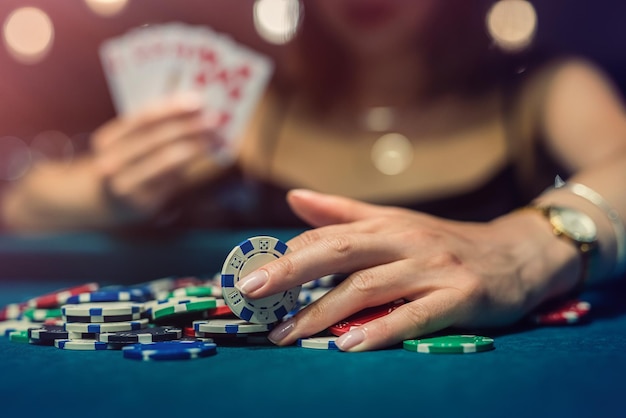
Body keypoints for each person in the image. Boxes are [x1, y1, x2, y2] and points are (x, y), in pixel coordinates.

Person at [2, 0, 626, 350]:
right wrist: (109, 191)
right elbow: (21, 208)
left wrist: (523, 246)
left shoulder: (551, 92)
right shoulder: (253, 110)